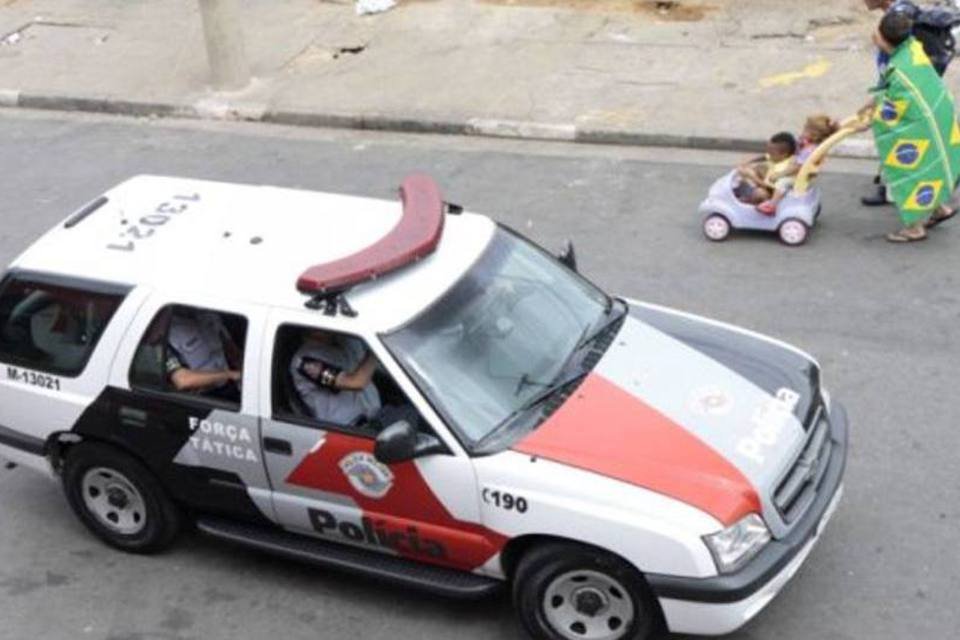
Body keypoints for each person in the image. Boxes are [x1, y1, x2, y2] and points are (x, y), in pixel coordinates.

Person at [858, 10, 960, 242]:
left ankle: (915, 228)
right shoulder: (911, 50)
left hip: (919, 128)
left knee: (911, 171)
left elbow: (891, 110)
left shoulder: (900, 73)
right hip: (938, 115)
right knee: (933, 163)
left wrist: (868, 120)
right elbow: (890, 93)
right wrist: (869, 105)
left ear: (882, 39)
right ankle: (939, 209)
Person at [290, 330, 382, 427]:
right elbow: (356, 383)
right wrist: (377, 349)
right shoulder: (304, 362)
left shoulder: (347, 340)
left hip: (376, 416)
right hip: (348, 430)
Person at [755, 115, 840, 215]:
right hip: (797, 171)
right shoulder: (808, 143)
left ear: (815, 135)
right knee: (766, 168)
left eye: (806, 129)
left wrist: (780, 174)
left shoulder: (809, 150)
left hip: (796, 175)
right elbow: (796, 145)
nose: (803, 131)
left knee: (781, 183)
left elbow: (797, 167)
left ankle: (772, 205)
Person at [166, 309, 243, 402]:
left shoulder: (210, 314)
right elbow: (182, 380)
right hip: (202, 398)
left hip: (230, 386)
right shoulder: (169, 331)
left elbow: (230, 349)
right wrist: (228, 374)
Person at [735, 132, 798, 213]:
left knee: (760, 193)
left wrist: (752, 177)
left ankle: (748, 204)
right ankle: (743, 189)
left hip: (772, 194)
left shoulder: (782, 169)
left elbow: (769, 187)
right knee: (759, 168)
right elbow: (765, 157)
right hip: (767, 184)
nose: (769, 154)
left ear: (784, 155)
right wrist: (748, 161)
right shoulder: (779, 158)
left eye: (771, 153)